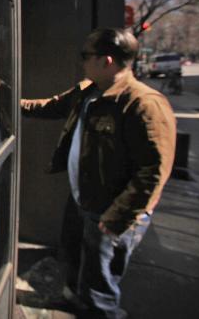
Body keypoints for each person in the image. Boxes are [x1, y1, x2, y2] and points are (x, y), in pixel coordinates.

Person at [21, 28, 176, 318]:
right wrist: (7, 100)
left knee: (100, 287)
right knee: (75, 262)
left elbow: (153, 172)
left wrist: (118, 217)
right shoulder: (88, 91)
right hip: (84, 200)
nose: (82, 62)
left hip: (111, 211)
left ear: (106, 60)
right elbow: (51, 107)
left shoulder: (143, 104)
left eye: (86, 56)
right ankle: (74, 302)